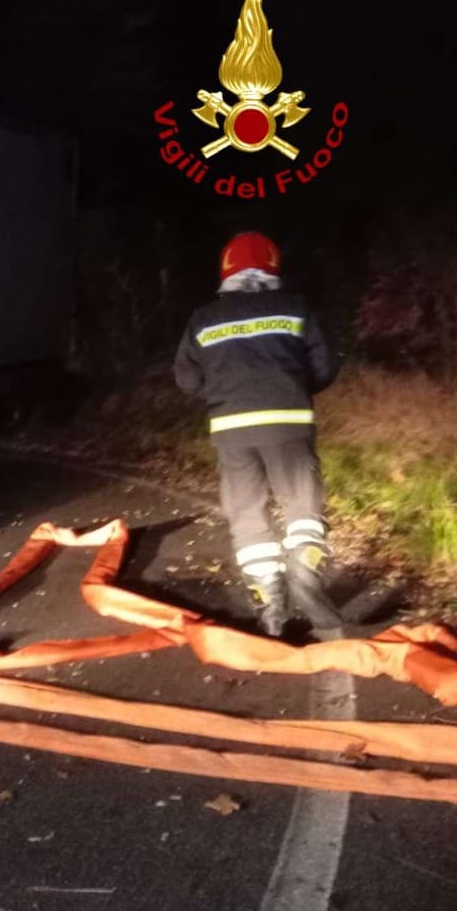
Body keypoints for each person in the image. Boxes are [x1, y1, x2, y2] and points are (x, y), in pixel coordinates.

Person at [174, 231, 343, 639]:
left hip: (231, 429)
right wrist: (295, 387)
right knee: (301, 501)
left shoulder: (203, 318)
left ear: (226, 273)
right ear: (273, 269)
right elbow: (324, 365)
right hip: (288, 420)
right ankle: (305, 561)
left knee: (247, 511)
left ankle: (269, 599)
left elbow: (186, 378)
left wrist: (222, 393)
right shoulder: (296, 308)